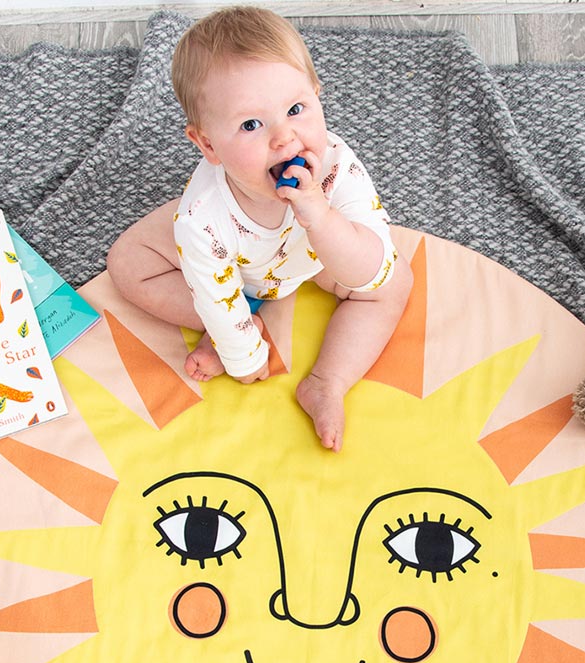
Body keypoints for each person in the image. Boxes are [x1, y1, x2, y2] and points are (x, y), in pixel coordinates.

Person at [106, 6, 413, 452]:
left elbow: (370, 269)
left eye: (295, 109)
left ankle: (327, 383)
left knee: (394, 281)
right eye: (251, 124)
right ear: (208, 144)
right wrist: (241, 352)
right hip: (231, 265)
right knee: (128, 263)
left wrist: (319, 215)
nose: (284, 138)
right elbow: (212, 286)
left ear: (317, 95)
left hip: (310, 257)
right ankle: (242, 320)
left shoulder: (335, 166)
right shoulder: (202, 216)